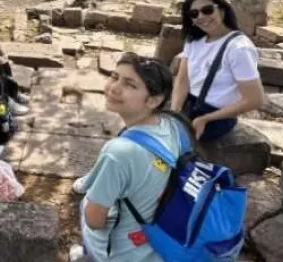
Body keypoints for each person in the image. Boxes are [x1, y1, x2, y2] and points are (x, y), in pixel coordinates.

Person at [68, 53, 193, 262]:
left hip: (126, 253)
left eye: (130, 84)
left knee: (85, 206)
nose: (114, 87)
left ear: (154, 99)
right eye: (114, 77)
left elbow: (94, 220)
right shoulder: (174, 125)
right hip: (163, 238)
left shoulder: (119, 152)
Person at [169, 0, 264, 141]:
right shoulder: (194, 40)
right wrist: (174, 111)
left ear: (222, 10)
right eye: (194, 14)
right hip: (190, 105)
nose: (201, 17)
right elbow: (182, 79)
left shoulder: (238, 48)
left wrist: (206, 119)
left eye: (207, 10)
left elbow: (255, 99)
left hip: (217, 116)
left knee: (167, 144)